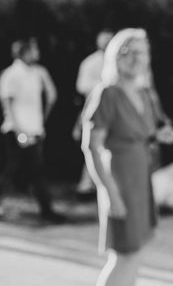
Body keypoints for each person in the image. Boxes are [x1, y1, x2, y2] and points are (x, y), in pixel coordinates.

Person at [82, 28, 173, 286]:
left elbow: (143, 133)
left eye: (142, 52)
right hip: (119, 181)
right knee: (122, 256)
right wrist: (110, 193)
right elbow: (91, 146)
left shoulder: (142, 93)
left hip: (141, 179)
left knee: (136, 254)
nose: (137, 58)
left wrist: (161, 136)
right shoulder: (107, 93)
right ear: (116, 55)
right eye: (129, 52)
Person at [0, 38, 64, 222]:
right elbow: (8, 105)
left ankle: (46, 209)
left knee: (36, 170)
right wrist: (19, 131)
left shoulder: (37, 73)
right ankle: (46, 209)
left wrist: (40, 123)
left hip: (34, 129)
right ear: (24, 53)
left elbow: (50, 97)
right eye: (33, 50)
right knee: (10, 170)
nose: (37, 53)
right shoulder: (11, 74)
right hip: (16, 131)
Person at [74, 30, 114, 197]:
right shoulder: (90, 63)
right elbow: (82, 87)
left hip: (115, 110)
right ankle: (86, 185)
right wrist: (103, 87)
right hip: (94, 108)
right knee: (94, 146)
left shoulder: (117, 60)